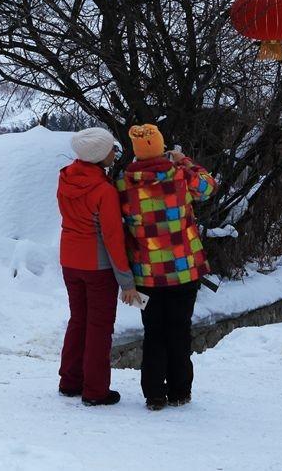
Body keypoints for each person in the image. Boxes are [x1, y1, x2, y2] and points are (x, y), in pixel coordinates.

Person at [116, 124, 216, 411]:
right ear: (161, 148)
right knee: (179, 331)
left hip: (147, 276)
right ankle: (180, 391)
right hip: (184, 271)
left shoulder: (123, 185)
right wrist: (182, 159)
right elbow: (209, 185)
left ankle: (155, 396)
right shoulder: (180, 176)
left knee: (153, 333)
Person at [57, 127, 140, 407]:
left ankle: (70, 381)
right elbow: (113, 238)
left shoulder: (65, 179)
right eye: (110, 150)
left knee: (78, 320)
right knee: (99, 327)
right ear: (98, 156)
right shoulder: (103, 191)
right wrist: (126, 281)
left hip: (69, 260)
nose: (114, 153)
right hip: (97, 266)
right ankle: (95, 391)